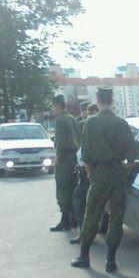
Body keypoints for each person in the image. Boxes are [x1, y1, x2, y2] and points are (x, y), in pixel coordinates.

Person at [71, 88, 136, 273]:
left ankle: (84, 256)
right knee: (116, 218)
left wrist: (92, 175)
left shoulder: (91, 122)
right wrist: (123, 170)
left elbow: (86, 155)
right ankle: (111, 262)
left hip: (98, 174)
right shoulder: (122, 123)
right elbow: (132, 154)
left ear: (98, 100)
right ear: (112, 100)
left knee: (91, 214)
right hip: (117, 174)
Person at [70, 103, 99, 244]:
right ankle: (86, 232)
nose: (86, 115)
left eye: (89, 112)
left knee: (81, 202)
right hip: (86, 170)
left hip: (90, 173)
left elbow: (88, 154)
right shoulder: (89, 126)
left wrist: (86, 171)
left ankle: (85, 234)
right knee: (86, 203)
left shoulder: (91, 126)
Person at [51, 95, 80, 232]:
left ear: (58, 105)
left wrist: (58, 159)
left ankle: (65, 220)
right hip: (75, 158)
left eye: (54, 106)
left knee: (63, 190)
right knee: (73, 189)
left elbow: (60, 143)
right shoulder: (72, 118)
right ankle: (73, 219)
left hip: (65, 159)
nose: (53, 109)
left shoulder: (60, 120)